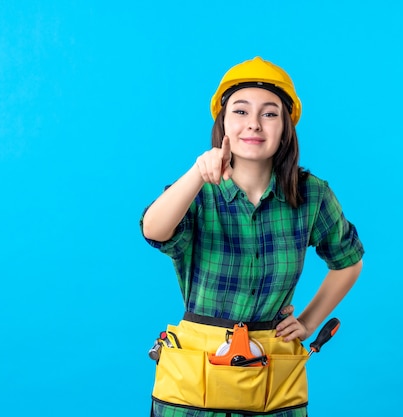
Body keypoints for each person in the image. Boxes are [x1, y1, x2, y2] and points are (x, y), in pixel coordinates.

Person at [140, 56, 364, 417]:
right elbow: (154, 229)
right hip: (193, 387)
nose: (254, 125)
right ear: (223, 123)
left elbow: (348, 262)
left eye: (270, 113)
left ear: (286, 126)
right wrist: (198, 173)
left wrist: (307, 321)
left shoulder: (313, 196)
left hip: (272, 379)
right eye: (240, 112)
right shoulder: (196, 191)